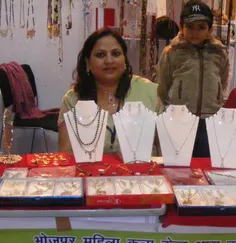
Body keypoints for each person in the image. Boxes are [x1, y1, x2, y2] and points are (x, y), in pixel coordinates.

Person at [58, 27, 161, 156]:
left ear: (124, 60)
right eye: (100, 55)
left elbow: (165, 150)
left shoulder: (150, 92)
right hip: (90, 174)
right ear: (88, 63)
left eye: (116, 54)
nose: (109, 61)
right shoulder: (73, 100)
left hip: (144, 174)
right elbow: (66, 153)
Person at [156, 0, 229, 157]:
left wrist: (215, 99)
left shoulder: (219, 53)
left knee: (206, 161)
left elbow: (222, 80)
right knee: (179, 160)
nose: (195, 32)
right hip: (180, 117)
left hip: (210, 118)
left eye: (201, 27)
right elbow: (163, 84)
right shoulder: (172, 52)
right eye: (189, 27)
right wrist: (172, 108)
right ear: (181, 28)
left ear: (209, 30)